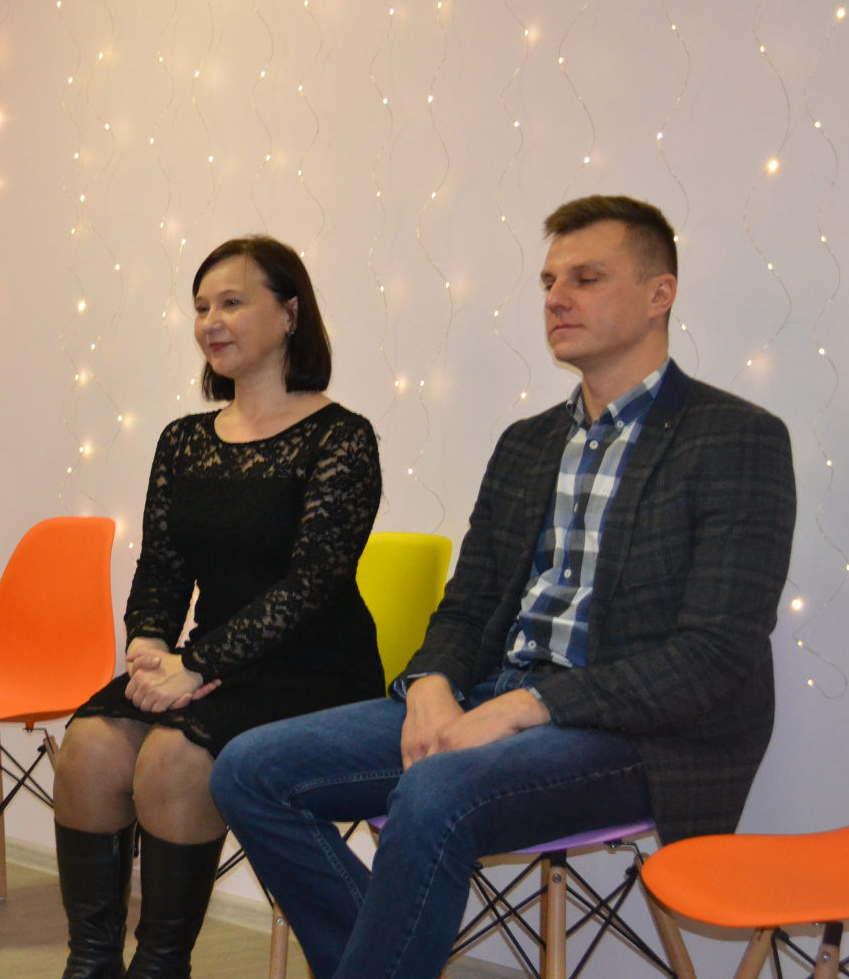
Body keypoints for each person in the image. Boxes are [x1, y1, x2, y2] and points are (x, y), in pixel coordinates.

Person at [210, 196, 798, 979]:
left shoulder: (735, 439)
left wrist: (528, 707)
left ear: (660, 294)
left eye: (586, 278)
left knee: (436, 793)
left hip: (637, 734)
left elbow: (713, 655)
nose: (557, 298)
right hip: (493, 694)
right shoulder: (528, 443)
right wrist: (430, 684)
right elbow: (470, 601)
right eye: (550, 281)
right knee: (248, 769)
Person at [51, 236, 384, 979]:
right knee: (89, 746)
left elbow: (311, 585)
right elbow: (163, 566)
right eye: (201, 307)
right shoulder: (184, 441)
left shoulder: (342, 437)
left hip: (315, 673)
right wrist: (148, 644)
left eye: (232, 302)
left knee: (172, 758)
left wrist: (195, 664)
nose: (211, 322)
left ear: (290, 314)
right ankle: (91, 964)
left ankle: (161, 967)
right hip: (208, 665)